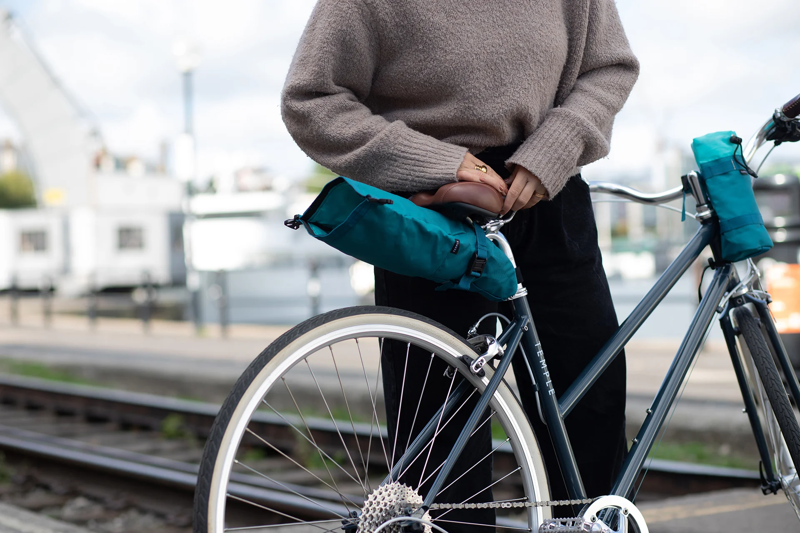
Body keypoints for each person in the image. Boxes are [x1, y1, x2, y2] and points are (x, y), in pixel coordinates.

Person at [281, 0, 639, 528]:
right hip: (432, 212)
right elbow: (311, 99)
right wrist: (434, 163)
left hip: (549, 193)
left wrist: (557, 145)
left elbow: (609, 66)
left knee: (590, 408)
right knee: (442, 444)